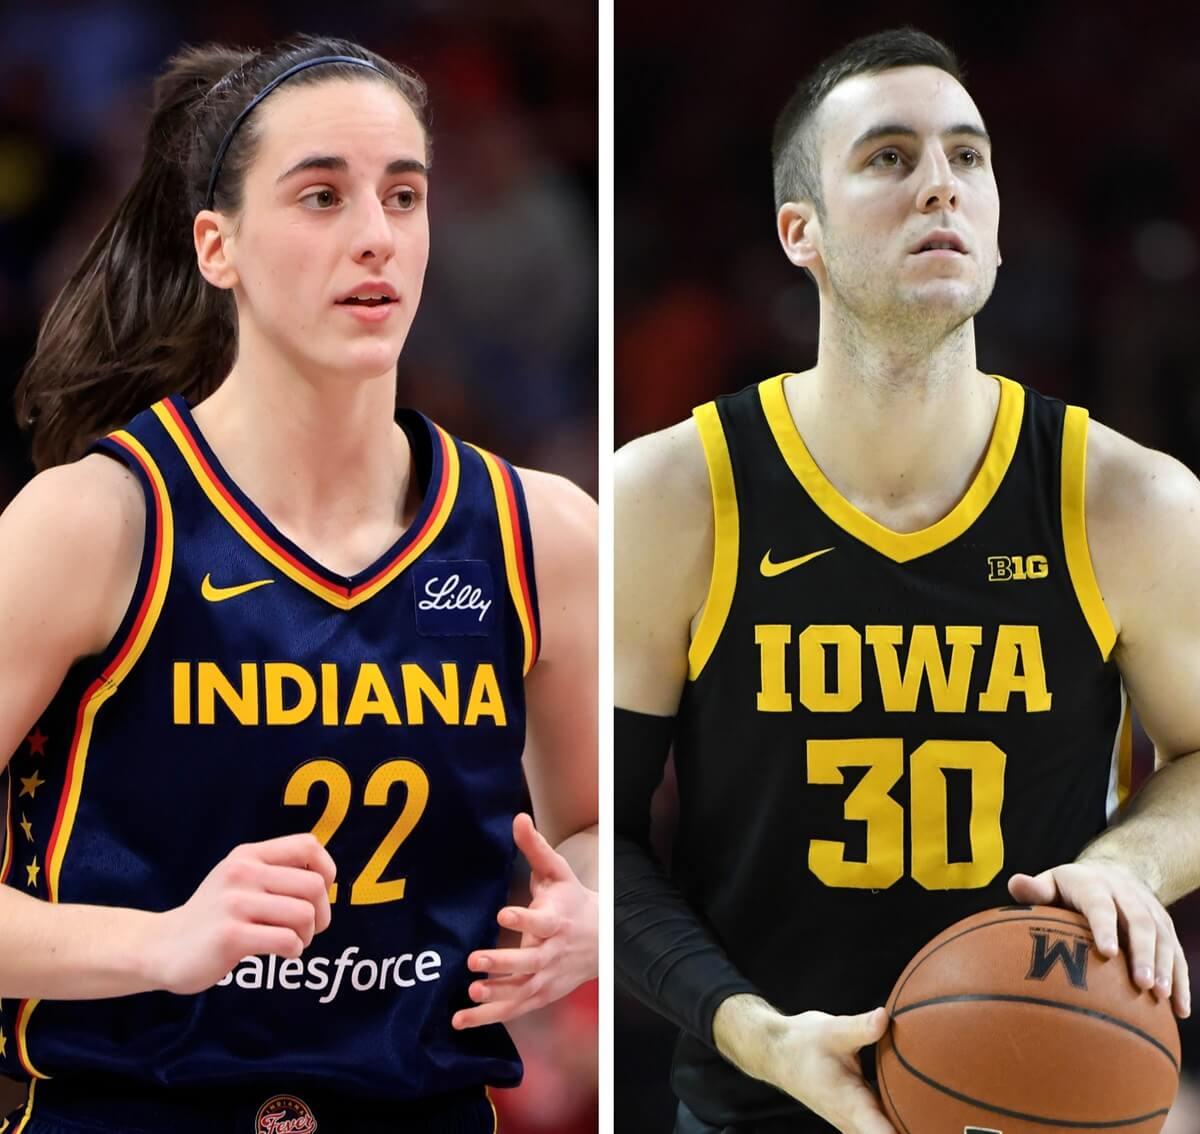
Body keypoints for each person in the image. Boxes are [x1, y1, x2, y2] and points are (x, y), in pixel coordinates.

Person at [0, 34, 597, 1134]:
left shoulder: (541, 534)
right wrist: (158, 942)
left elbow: (598, 830)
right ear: (216, 247)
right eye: (321, 195)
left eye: (404, 196)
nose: (377, 237)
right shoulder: (96, 523)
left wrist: (591, 914)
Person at [614, 27, 1200, 1134]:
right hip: (757, 1099)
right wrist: (752, 1029)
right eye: (889, 157)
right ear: (803, 232)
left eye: (968, 158)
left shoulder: (1130, 502)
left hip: (1039, 1094)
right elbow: (594, 833)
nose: (941, 183)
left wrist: (1130, 862)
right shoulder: (675, 494)